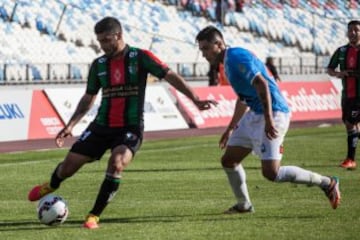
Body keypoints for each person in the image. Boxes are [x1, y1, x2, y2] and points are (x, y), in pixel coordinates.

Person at [28, 16, 216, 229]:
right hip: (101, 126)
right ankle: (51, 185)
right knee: (68, 167)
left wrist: (195, 98)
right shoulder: (98, 65)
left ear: (119, 35)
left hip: (130, 127)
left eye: (107, 40)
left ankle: (94, 215)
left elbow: (170, 76)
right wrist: (70, 126)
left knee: (117, 163)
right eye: (100, 41)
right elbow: (89, 97)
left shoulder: (141, 57)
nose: (103, 45)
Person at [195, 25, 340, 214]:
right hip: (255, 114)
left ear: (219, 44)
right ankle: (244, 205)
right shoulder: (228, 63)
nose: (204, 54)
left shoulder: (237, 56)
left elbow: (261, 84)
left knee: (272, 173)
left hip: (274, 113)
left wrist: (269, 120)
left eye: (206, 48)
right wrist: (230, 128)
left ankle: (327, 183)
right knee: (229, 160)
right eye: (201, 50)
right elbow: (244, 98)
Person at [327, 20, 360, 170]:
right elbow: (330, 69)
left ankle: (350, 159)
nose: (353, 33)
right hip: (347, 94)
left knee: (350, 124)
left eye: (356, 30)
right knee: (350, 124)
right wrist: (339, 73)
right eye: (351, 30)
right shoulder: (341, 51)